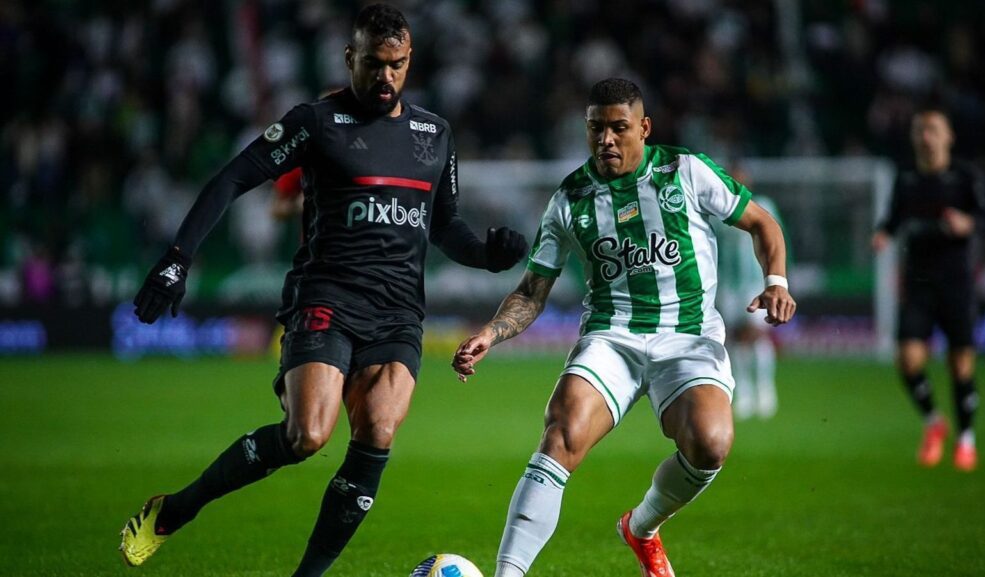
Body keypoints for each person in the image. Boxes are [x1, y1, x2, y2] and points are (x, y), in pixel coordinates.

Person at [119, 5, 528, 576]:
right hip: (326, 299)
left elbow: (444, 226)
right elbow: (233, 177)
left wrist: (487, 255)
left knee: (378, 431)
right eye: (374, 63)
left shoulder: (434, 134)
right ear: (350, 58)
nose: (386, 76)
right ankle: (177, 509)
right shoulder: (316, 122)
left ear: (410, 61)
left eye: (397, 65)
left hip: (398, 314)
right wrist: (177, 258)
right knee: (307, 435)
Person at [452, 78, 795, 577]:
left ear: (644, 128)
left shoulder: (686, 170)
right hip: (611, 337)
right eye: (596, 128)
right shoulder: (570, 198)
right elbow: (531, 291)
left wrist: (776, 282)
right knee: (561, 434)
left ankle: (641, 527)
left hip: (688, 335)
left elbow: (763, 222)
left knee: (711, 444)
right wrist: (492, 332)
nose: (606, 139)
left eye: (618, 127)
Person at [872, 107, 985, 472]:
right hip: (918, 283)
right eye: (920, 130)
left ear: (948, 136)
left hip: (957, 282)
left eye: (933, 129)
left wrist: (968, 223)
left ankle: (966, 439)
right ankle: (934, 422)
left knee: (960, 365)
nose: (926, 136)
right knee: (908, 359)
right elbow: (893, 217)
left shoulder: (965, 176)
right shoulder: (906, 178)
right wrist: (883, 233)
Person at [715, 175, 784, 420]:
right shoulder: (718, 210)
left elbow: (777, 239)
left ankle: (765, 389)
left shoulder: (763, 205)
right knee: (735, 337)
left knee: (757, 334)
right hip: (728, 284)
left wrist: (778, 279)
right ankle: (743, 390)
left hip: (756, 282)